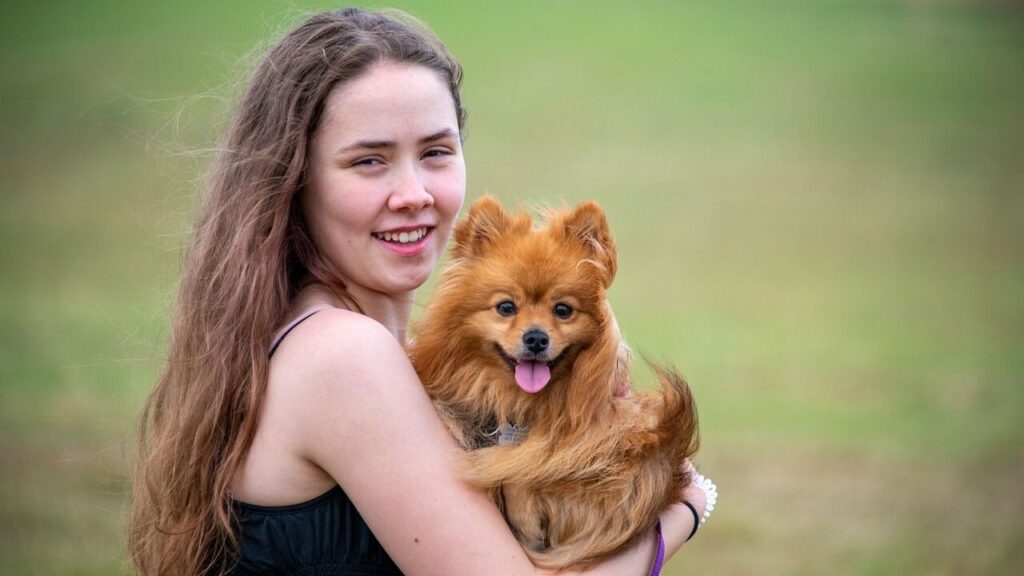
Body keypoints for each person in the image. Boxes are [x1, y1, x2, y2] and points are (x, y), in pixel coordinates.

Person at [128, 7, 714, 576]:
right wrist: (685, 504)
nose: (413, 193)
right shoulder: (344, 357)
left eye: (435, 152)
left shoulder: (354, 343)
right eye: (369, 161)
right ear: (295, 178)